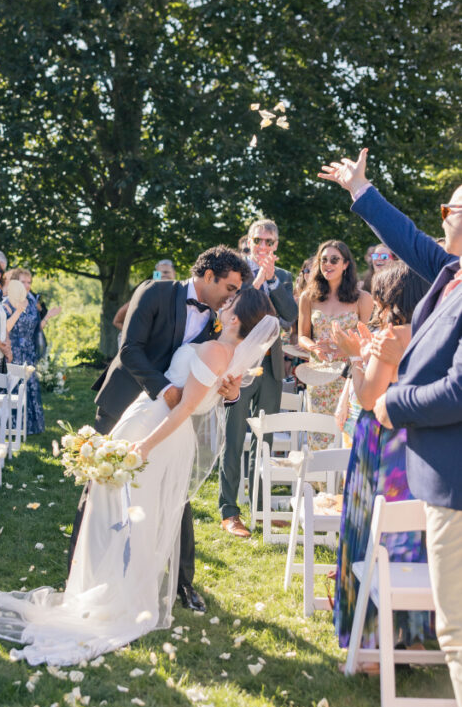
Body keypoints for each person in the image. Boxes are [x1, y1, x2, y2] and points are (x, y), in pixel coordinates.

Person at [0, 289, 278, 665]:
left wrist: (145, 447)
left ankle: (116, 596)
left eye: (231, 305)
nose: (225, 304)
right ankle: (111, 588)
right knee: (130, 513)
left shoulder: (217, 351)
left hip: (157, 430)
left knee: (127, 513)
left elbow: (186, 408)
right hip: (154, 422)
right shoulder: (227, 354)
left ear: (235, 320)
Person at [319, 147, 462, 707]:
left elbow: (457, 391)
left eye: (451, 207)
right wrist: (362, 192)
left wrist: (390, 407)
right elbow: (408, 241)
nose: (443, 214)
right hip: (436, 473)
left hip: (453, 478)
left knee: (457, 632)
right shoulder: (451, 273)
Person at [87, 245, 250, 611]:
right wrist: (165, 390)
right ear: (209, 276)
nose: (233, 296)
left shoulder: (220, 321)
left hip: (174, 422)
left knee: (176, 499)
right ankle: (88, 570)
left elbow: (214, 376)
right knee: (100, 490)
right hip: (128, 404)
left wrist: (230, 392)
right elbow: (130, 350)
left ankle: (182, 583)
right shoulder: (156, 292)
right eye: (230, 287)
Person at [331, 262, 433, 660]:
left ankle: (377, 638)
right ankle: (416, 633)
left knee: (379, 533)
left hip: (382, 442)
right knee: (413, 534)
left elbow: (369, 397)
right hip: (420, 441)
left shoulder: (391, 336)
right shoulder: (435, 334)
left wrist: (355, 358)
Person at [219, 219, 298, 538]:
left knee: (264, 440)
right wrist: (256, 282)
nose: (263, 246)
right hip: (240, 366)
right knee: (235, 438)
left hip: (271, 367)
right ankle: (229, 512)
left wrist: (273, 283)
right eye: (258, 240)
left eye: (269, 241)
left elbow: (290, 315)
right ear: (248, 242)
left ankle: (260, 508)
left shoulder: (284, 277)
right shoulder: (236, 272)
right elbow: (230, 309)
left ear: (276, 245)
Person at [298, 240, 373, 449]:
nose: (328, 264)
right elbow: (302, 336)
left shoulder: (362, 298)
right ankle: (318, 483)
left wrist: (343, 349)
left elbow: (367, 339)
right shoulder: (308, 297)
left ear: (346, 264)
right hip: (318, 376)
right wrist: (314, 348)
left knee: (347, 436)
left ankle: (345, 482)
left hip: (349, 376)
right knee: (319, 437)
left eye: (334, 259)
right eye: (323, 260)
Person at [5, 267, 54, 434]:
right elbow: (5, 328)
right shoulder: (7, 302)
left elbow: (37, 328)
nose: (26, 285)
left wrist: (47, 317)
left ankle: (31, 426)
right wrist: (18, 310)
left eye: (29, 282)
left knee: (30, 386)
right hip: (14, 349)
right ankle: (13, 426)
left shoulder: (32, 303)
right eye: (23, 282)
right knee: (15, 386)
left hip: (29, 349)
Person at [112, 259, 176, 333]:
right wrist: (133, 334)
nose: (162, 275)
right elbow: (117, 321)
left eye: (166, 272)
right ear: (155, 275)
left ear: (174, 274)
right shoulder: (145, 294)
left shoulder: (181, 294)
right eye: (159, 273)